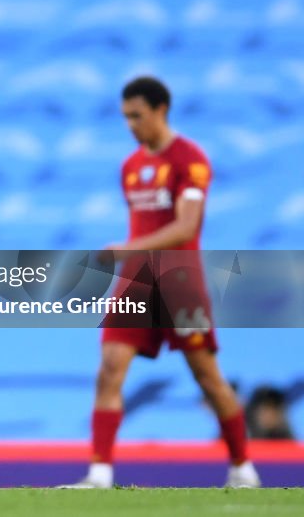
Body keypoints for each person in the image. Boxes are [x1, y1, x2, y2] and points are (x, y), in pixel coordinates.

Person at [62, 76, 260, 489]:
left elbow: (186, 226)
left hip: (179, 280)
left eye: (137, 116)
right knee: (110, 369)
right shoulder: (131, 167)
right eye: (125, 118)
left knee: (207, 376)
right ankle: (99, 474)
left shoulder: (190, 159)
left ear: (160, 110)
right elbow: (146, 222)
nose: (131, 125)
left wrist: (128, 248)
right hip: (137, 280)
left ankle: (242, 467)